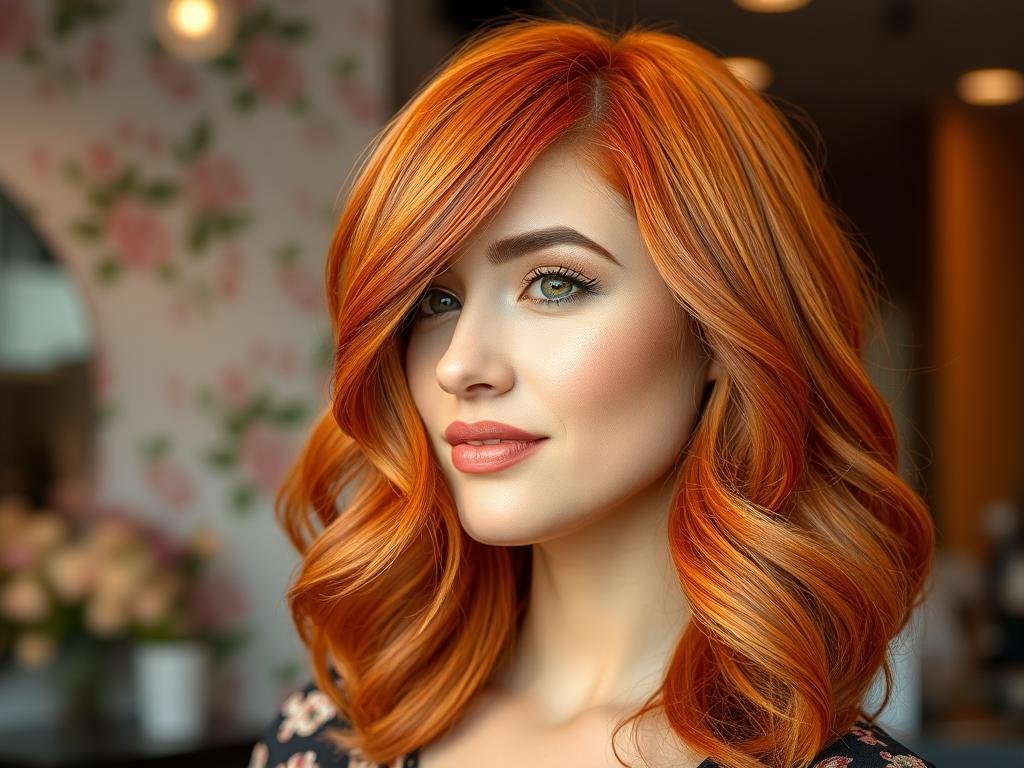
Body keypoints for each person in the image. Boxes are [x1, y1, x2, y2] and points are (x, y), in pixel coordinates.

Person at [248, 14, 937, 768]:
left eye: (554, 284)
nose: (459, 365)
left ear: (720, 328)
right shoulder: (323, 738)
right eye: (435, 301)